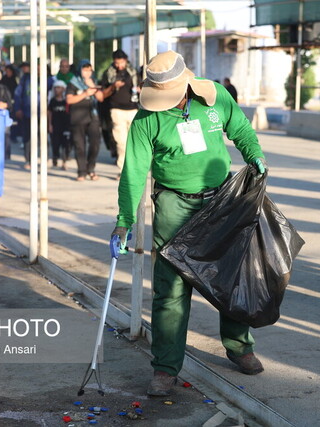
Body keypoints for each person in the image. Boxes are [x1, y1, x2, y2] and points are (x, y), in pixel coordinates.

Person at [110, 51, 267, 396]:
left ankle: (240, 346)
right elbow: (134, 172)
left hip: (221, 201)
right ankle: (165, 368)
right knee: (170, 289)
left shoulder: (214, 96)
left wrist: (253, 153)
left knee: (231, 276)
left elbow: (239, 129)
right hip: (173, 205)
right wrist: (124, 220)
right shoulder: (146, 120)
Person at [100, 50, 139, 178]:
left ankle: (134, 168)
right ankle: (123, 170)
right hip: (116, 110)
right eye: (117, 63)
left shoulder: (133, 72)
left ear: (126, 60)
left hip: (133, 109)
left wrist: (139, 90)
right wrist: (113, 86)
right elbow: (102, 95)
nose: (119, 66)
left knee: (134, 141)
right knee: (121, 142)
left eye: (121, 62)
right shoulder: (109, 73)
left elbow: (141, 87)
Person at [66, 60, 103, 181]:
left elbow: (100, 98)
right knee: (80, 146)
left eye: (89, 70)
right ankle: (81, 171)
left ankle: (91, 168)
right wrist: (85, 93)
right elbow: (69, 100)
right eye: (84, 69)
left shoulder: (93, 81)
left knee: (95, 143)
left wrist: (92, 86)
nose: (87, 72)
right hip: (77, 118)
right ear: (80, 70)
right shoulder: (73, 83)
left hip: (92, 117)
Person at [13, 61, 54, 169]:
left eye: (41, 68)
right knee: (28, 137)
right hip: (28, 113)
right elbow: (18, 94)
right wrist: (18, 108)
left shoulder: (50, 81)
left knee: (43, 137)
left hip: (44, 114)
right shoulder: (26, 79)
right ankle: (29, 160)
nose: (39, 70)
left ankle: (45, 158)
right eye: (37, 68)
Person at [48, 80, 71, 169]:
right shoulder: (53, 101)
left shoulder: (67, 101)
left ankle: (64, 161)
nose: (57, 90)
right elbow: (49, 112)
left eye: (59, 88)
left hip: (65, 125)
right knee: (55, 143)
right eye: (56, 88)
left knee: (65, 144)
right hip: (55, 125)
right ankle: (55, 158)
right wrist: (50, 124)